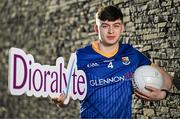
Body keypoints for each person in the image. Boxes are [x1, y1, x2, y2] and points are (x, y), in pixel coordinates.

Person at [52, 5, 172, 118]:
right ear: (96, 28)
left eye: (116, 25)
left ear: (122, 28)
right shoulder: (81, 56)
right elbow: (65, 96)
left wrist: (163, 94)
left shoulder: (131, 54)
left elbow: (165, 76)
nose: (111, 31)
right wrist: (61, 101)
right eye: (105, 26)